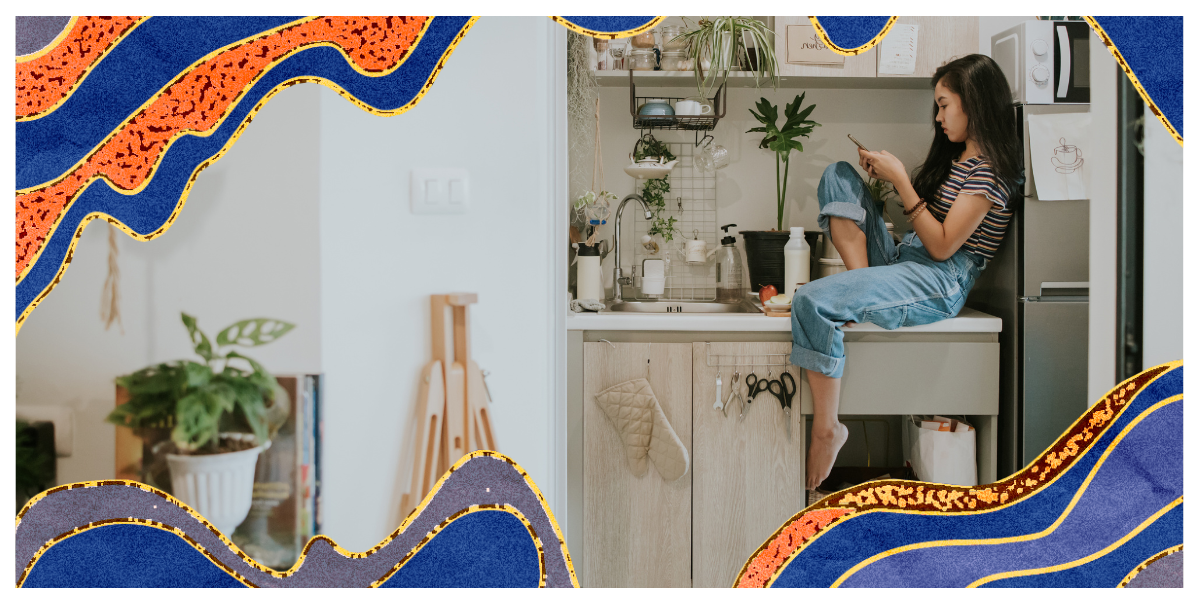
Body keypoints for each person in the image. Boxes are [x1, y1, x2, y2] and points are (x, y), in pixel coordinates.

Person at [791, 54, 1024, 490]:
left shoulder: (989, 171)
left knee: (811, 300)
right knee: (838, 174)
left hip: (941, 278)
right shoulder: (959, 161)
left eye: (944, 105)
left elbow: (941, 245)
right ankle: (861, 289)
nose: (938, 117)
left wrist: (900, 178)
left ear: (973, 103)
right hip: (906, 262)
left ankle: (828, 429)